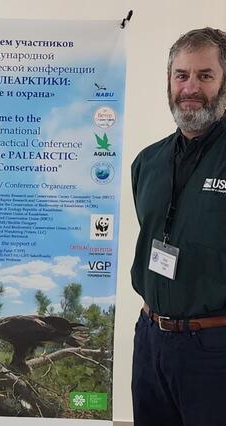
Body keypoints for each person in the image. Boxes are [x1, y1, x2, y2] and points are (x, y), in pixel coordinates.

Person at [131, 28, 226, 426]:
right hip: (150, 338)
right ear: (169, 82)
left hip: (214, 348)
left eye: (205, 75)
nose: (190, 87)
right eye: (181, 75)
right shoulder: (146, 163)